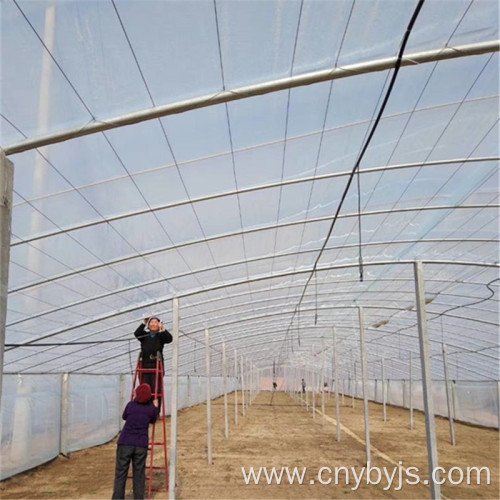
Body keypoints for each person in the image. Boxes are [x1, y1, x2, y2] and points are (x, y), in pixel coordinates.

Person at [112, 383, 159, 500]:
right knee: (139, 474)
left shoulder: (130, 405)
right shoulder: (151, 409)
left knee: (121, 474)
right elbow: (153, 420)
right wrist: (156, 407)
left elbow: (124, 417)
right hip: (141, 445)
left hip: (125, 442)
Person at [134, 317, 173, 405]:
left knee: (156, 389)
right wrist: (144, 322)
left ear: (159, 325)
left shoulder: (160, 336)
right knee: (144, 388)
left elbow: (169, 339)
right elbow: (137, 333)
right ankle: (144, 409)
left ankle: (155, 411)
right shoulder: (144, 336)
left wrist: (163, 328)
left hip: (157, 365)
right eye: (151, 322)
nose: (153, 324)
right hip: (144, 365)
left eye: (156, 322)